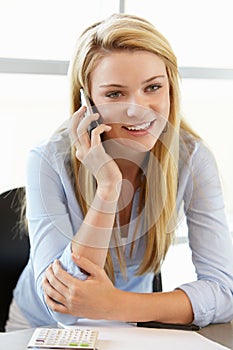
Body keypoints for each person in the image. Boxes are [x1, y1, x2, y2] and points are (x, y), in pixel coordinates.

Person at [6, 13, 233, 331]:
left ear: (171, 86)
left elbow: (224, 293)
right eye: (115, 94)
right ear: (87, 99)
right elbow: (63, 309)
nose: (137, 108)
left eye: (153, 87)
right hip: (39, 327)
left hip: (124, 324)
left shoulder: (191, 157)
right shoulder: (47, 159)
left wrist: (114, 305)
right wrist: (108, 187)